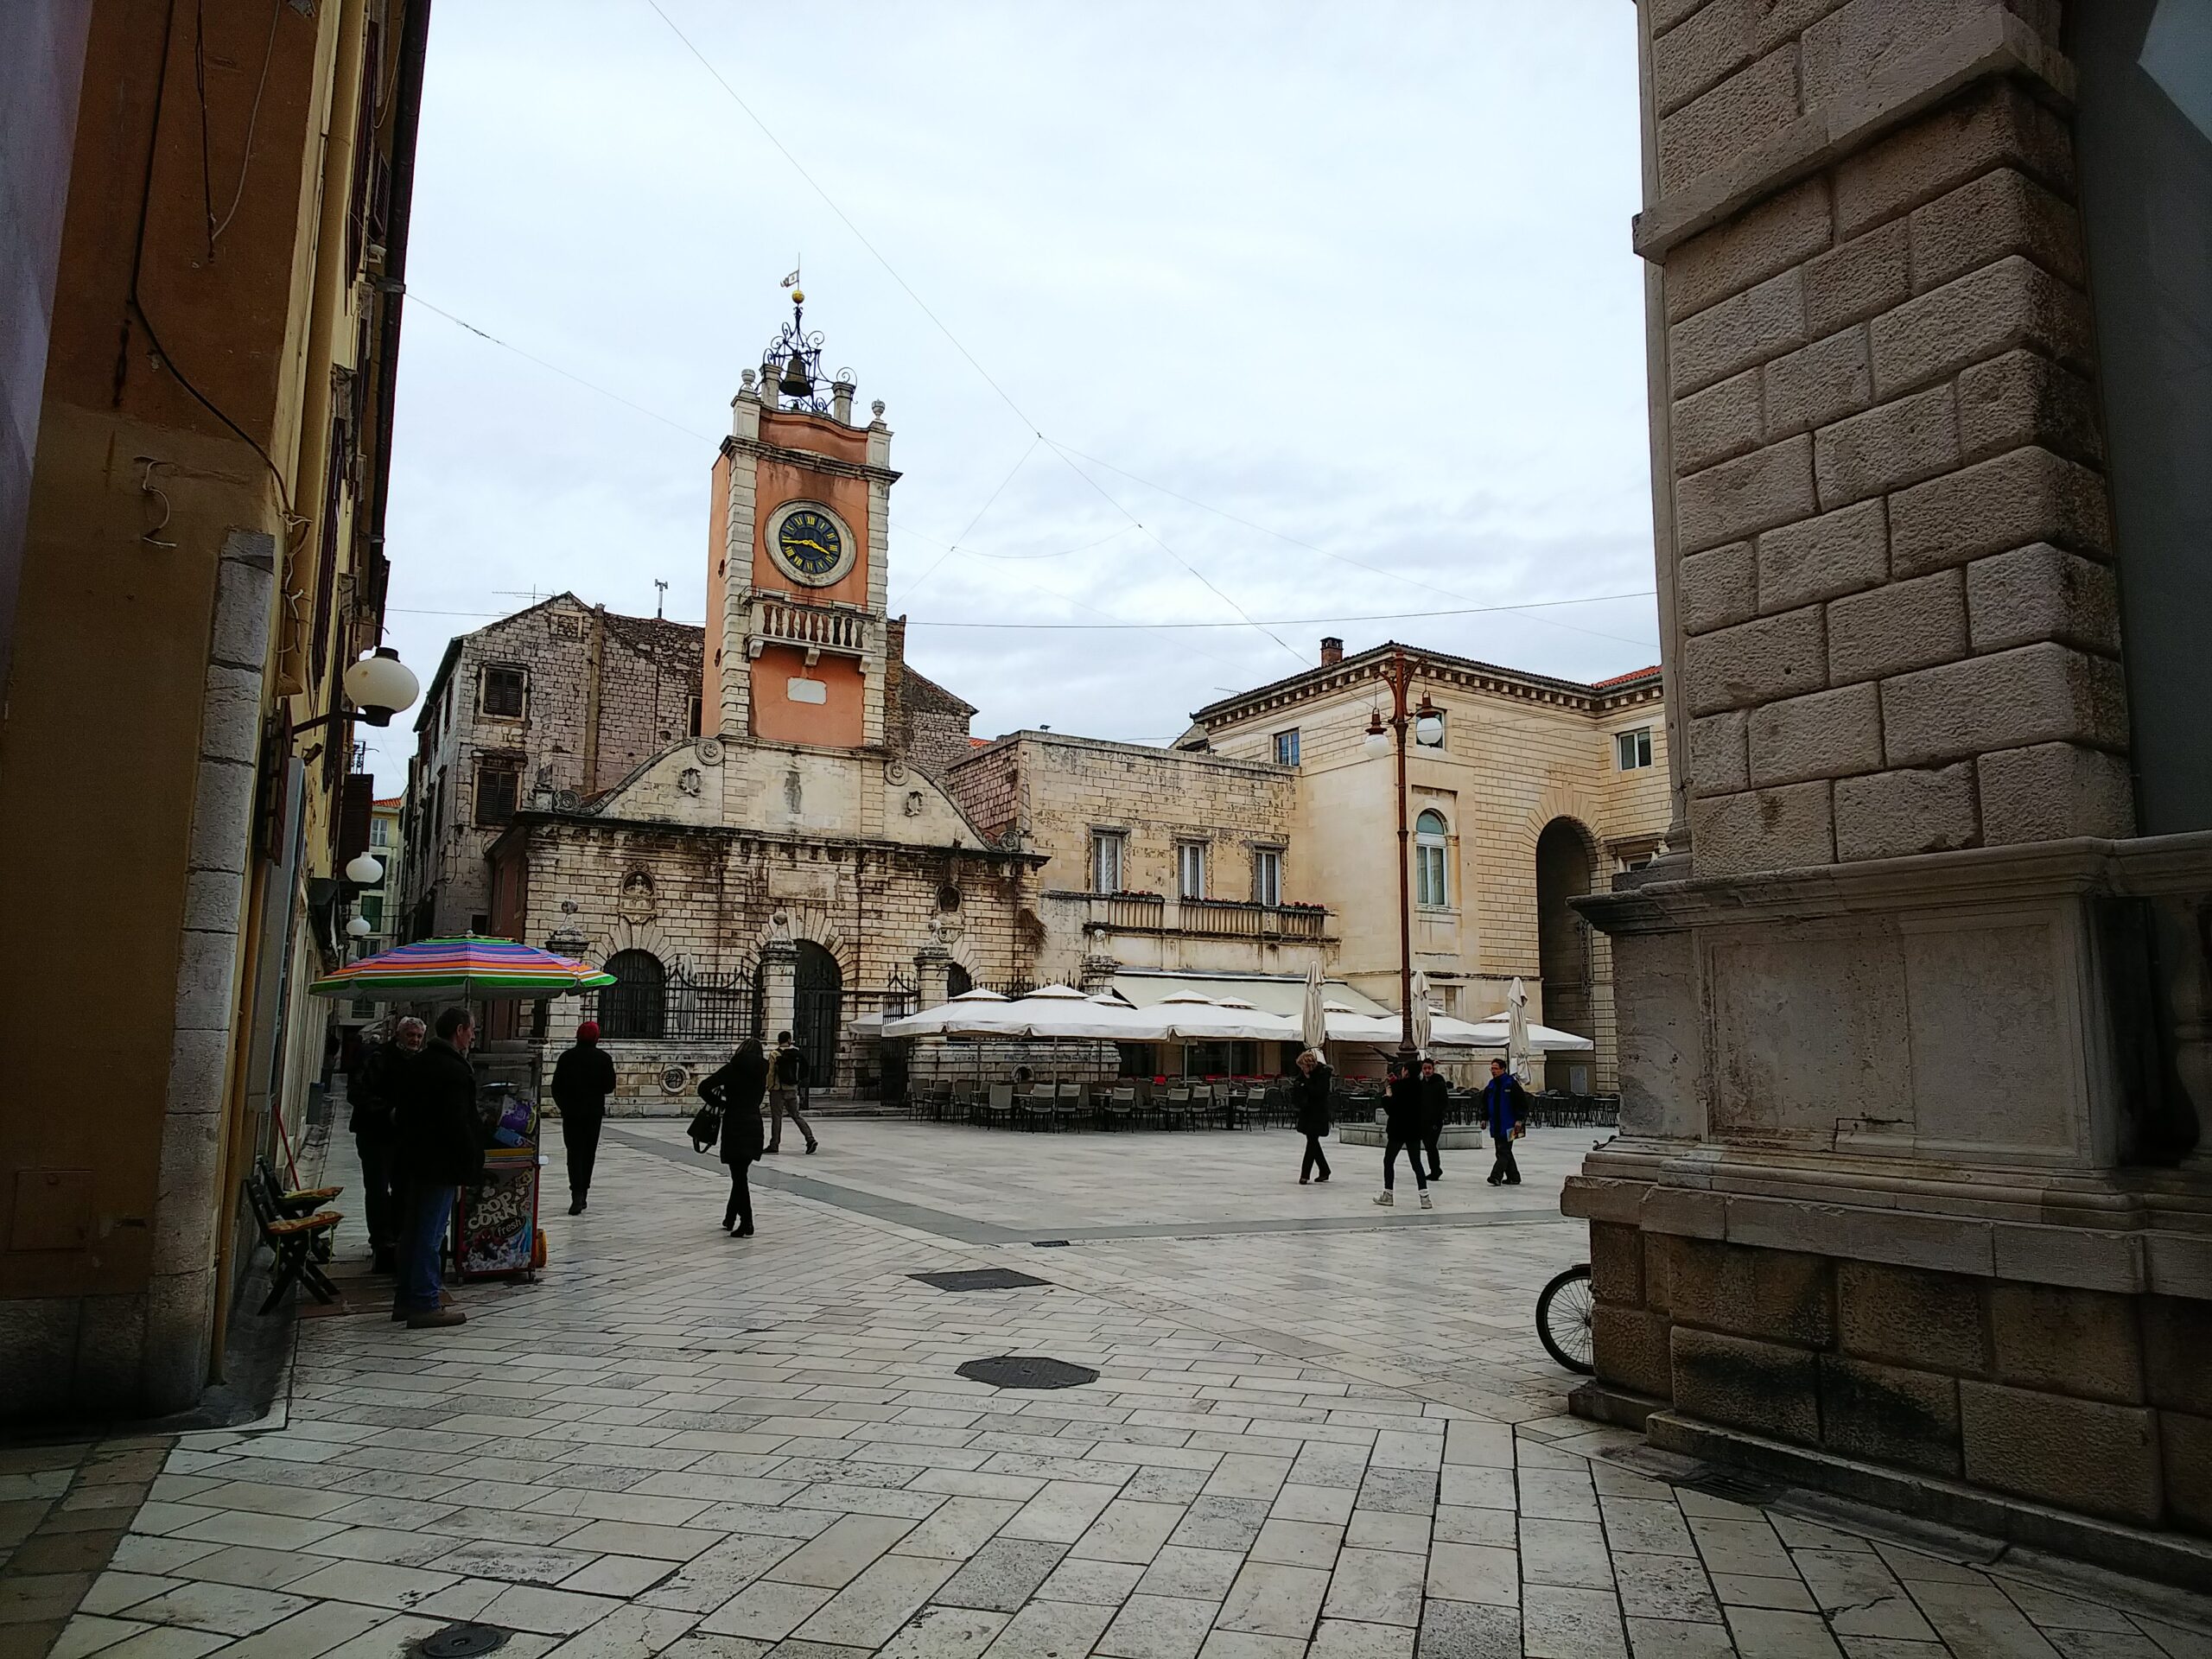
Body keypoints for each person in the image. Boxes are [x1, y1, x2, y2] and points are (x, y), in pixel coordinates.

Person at [391, 1006, 486, 1328]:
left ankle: (406, 1299)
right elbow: (457, 1122)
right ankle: (425, 1303)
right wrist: (470, 1159)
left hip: (414, 1160)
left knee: (414, 1231)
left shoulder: (420, 1063)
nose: (474, 1036)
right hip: (440, 1163)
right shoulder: (453, 1070)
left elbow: (402, 1113)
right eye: (472, 1030)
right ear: (459, 1031)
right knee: (431, 1235)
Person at [348, 1018, 423, 1273]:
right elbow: (357, 1092)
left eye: (418, 1036)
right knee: (378, 1189)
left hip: (404, 1137)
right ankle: (381, 1240)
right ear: (398, 1035)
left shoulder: (418, 1062)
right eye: (410, 1035)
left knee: (404, 1188)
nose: (414, 1040)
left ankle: (398, 1239)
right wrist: (387, 1112)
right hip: (375, 1136)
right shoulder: (378, 1056)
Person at [699, 1037, 769, 1235]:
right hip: (754, 1124)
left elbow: (703, 1087)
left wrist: (721, 1103)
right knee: (741, 1173)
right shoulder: (762, 1072)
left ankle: (747, 1221)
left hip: (735, 1124)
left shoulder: (732, 1069)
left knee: (739, 1177)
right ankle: (730, 1217)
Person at [550, 1020, 617, 1215]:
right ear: (597, 1038)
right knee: (588, 1153)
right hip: (593, 1114)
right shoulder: (604, 1059)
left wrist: (564, 1106)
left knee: (574, 1153)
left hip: (571, 1113)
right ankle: (583, 1193)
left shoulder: (566, 1058)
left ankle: (576, 1193)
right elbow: (609, 1087)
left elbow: (556, 1087)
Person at [1376, 1058, 1433, 1209]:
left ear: (1406, 1071)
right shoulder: (1421, 1086)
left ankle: (1388, 1194)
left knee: (1389, 1161)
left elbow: (1392, 1109)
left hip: (1398, 1130)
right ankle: (1425, 1197)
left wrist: (1387, 1096)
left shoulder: (1399, 1087)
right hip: (1414, 1130)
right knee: (1416, 1163)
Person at [766, 1031, 817, 1154]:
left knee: (777, 1117)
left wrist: (769, 1087)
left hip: (778, 1089)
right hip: (792, 1089)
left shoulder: (774, 1054)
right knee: (796, 1115)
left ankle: (774, 1145)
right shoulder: (797, 1054)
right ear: (789, 1040)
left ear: (779, 1040)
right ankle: (810, 1138)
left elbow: (771, 1072)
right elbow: (804, 1071)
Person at [1479, 1058, 1529, 1186]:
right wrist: (1483, 1118)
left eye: (1495, 1068)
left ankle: (1495, 1176)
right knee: (1502, 1151)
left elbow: (1522, 1103)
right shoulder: (1491, 1085)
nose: (1493, 1071)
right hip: (1496, 1125)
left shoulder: (1511, 1084)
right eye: (1492, 1068)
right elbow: (1485, 1103)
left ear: (1503, 1069)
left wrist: (1520, 1119)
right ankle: (1514, 1177)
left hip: (1511, 1125)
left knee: (1504, 1151)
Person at [1293, 1049, 1332, 1185]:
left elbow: (1319, 1092)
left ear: (1309, 1065)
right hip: (1307, 1111)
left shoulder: (1323, 1074)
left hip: (1318, 1113)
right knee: (1313, 1141)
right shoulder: (1304, 1073)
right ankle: (1324, 1170)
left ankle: (1305, 1174)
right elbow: (1297, 1084)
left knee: (1311, 1142)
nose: (1302, 1069)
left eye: (1303, 1066)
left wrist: (1307, 1083)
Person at [1419, 1058, 1452, 1182]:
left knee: (1431, 1145)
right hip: (1423, 1121)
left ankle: (1435, 1170)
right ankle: (1435, 1170)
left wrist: (1439, 1118)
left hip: (1435, 1121)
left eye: (1429, 1068)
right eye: (1425, 1068)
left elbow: (1444, 1103)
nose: (1427, 1071)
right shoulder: (1421, 1084)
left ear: (1433, 1069)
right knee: (1429, 1146)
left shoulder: (1439, 1084)